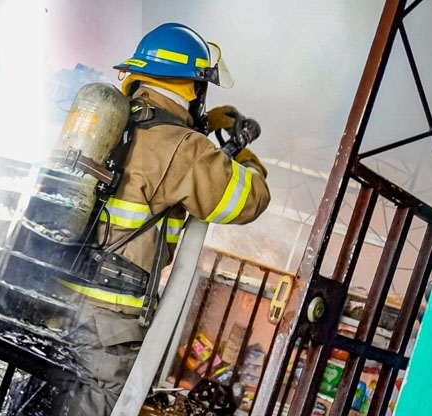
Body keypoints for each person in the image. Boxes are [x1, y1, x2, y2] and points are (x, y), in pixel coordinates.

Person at [55, 23, 271, 415]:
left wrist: (204, 127)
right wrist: (242, 154)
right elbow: (250, 200)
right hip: (111, 319)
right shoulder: (185, 149)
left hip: (59, 290)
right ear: (195, 87)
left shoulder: (115, 121)